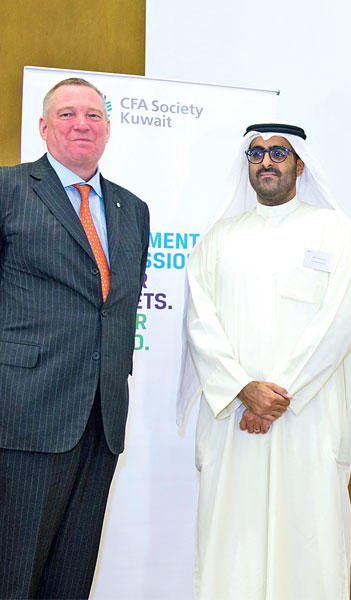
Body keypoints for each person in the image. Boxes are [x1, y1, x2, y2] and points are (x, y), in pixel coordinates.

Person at [184, 123, 351, 599]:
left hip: (306, 419)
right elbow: (200, 323)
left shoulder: (333, 230)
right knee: (232, 546)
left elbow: (341, 320)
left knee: (308, 542)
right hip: (234, 420)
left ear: (300, 164)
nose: (266, 161)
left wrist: (277, 395)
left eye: (278, 152)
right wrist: (243, 389)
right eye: (256, 153)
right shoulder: (219, 238)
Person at [0, 77, 149, 598]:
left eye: (93, 115)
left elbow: (116, 306)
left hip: (100, 419)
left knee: (72, 576)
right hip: (23, 415)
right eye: (67, 114)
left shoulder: (133, 209)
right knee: (11, 573)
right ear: (43, 128)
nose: (81, 124)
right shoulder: (9, 189)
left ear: (107, 129)